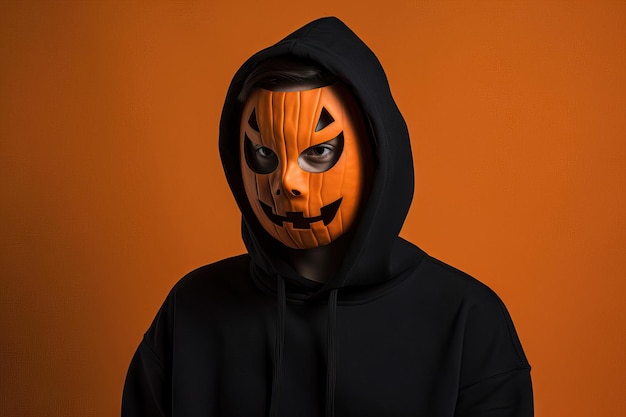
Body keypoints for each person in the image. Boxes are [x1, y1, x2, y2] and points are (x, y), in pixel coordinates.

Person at [122, 17, 533, 417]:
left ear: (377, 153)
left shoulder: (467, 321)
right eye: (264, 153)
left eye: (317, 151)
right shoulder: (191, 311)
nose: (286, 181)